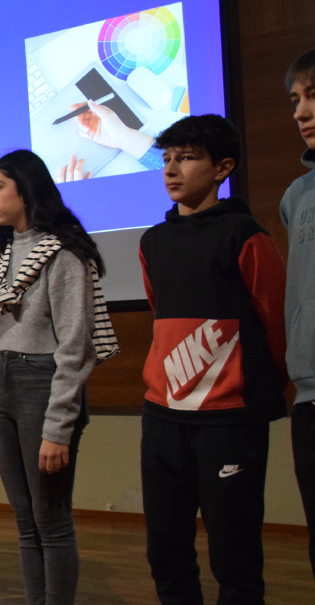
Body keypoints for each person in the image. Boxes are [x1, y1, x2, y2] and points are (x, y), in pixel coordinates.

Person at [140, 115, 287, 604]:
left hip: (228, 420)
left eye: (186, 158)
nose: (171, 170)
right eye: (166, 159)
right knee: (166, 552)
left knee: (234, 556)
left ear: (223, 168)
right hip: (163, 417)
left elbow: (274, 320)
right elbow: (160, 310)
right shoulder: (152, 242)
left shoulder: (245, 235)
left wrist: (252, 388)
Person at [0, 149, 117, 605]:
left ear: (26, 188)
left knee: (51, 520)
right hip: (0, 380)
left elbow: (75, 346)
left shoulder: (64, 253)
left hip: (41, 382)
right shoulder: (3, 254)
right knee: (25, 520)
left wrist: (58, 426)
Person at [280, 48, 315, 579]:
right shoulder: (296, 196)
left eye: (313, 97)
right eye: (295, 100)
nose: (300, 113)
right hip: (309, 395)